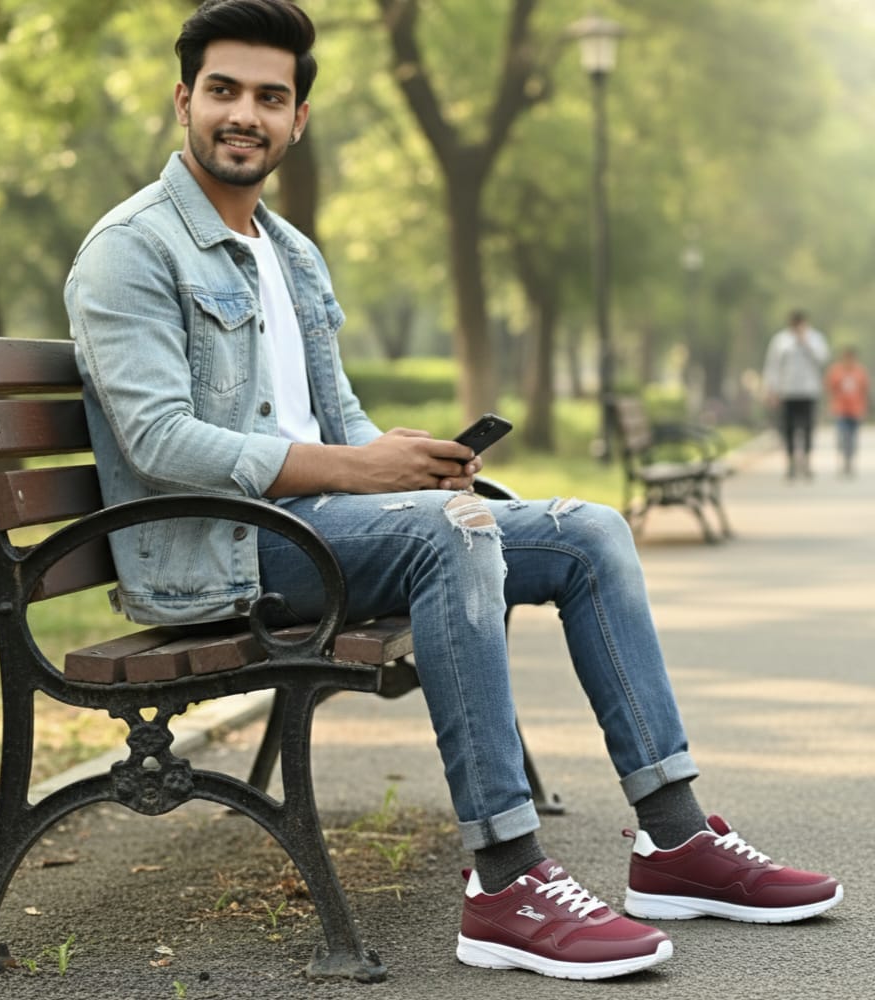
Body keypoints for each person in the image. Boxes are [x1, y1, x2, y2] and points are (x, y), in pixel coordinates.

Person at [64, 0, 842, 982]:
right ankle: (507, 879)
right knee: (454, 535)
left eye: (270, 96)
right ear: (183, 100)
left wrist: (408, 458)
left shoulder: (290, 253)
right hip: (214, 551)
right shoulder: (131, 248)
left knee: (591, 531)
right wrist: (363, 475)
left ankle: (674, 839)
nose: (244, 114)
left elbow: (334, 421)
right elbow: (161, 441)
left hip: (317, 529)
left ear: (298, 117)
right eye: (223, 91)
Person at [762, 309, 830, 479]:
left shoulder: (815, 338)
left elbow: (823, 359)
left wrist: (805, 342)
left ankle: (806, 462)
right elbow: (773, 366)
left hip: (809, 391)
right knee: (788, 428)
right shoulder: (780, 340)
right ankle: (791, 462)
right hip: (787, 391)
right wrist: (771, 390)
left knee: (808, 428)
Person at [825, 346, 869, 476]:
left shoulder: (860, 372)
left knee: (853, 438)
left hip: (856, 410)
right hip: (840, 410)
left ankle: (849, 461)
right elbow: (830, 389)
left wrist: (865, 408)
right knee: (842, 436)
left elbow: (864, 391)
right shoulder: (836, 371)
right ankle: (843, 460)